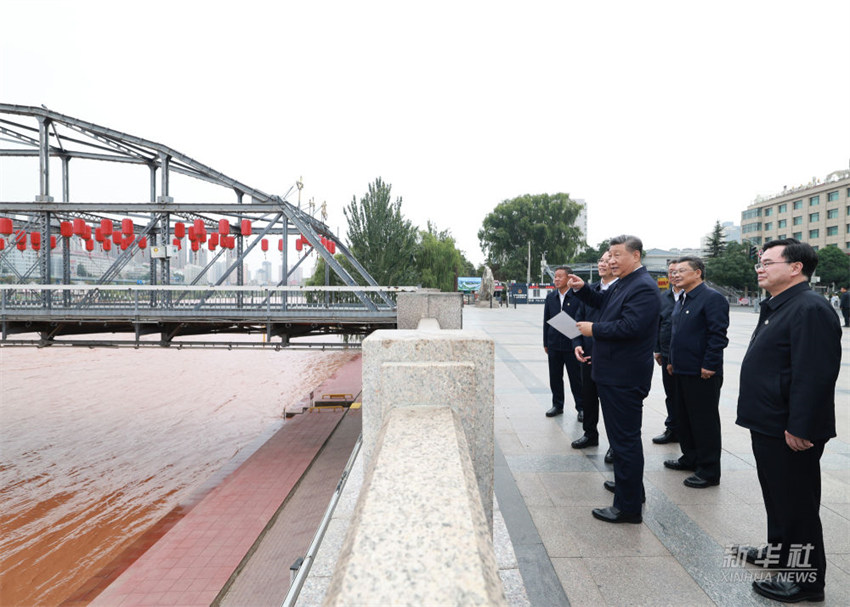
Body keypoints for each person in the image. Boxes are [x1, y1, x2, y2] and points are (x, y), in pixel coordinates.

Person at [736, 239, 841, 604]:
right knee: (778, 497)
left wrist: (801, 426)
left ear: (795, 268)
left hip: (789, 428)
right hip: (768, 420)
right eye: (759, 263)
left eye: (767, 262)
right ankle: (781, 553)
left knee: (797, 503)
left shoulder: (809, 308)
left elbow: (814, 374)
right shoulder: (781, 305)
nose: (759, 268)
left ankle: (807, 581)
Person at [567, 235, 660, 524]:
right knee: (622, 441)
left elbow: (630, 327)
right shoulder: (625, 283)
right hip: (614, 373)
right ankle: (630, 489)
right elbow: (604, 302)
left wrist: (594, 329)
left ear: (636, 255)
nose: (611, 260)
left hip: (623, 375)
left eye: (617, 255)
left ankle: (628, 507)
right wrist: (583, 290)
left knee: (625, 440)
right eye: (609, 254)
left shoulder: (643, 287)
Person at [663, 256, 729, 488]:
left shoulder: (712, 298)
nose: (676, 274)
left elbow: (717, 335)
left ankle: (709, 470)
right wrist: (671, 361)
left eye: (682, 270)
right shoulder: (683, 299)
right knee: (683, 418)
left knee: (704, 422)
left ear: (698, 273)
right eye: (674, 271)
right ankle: (690, 458)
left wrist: (710, 365)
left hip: (702, 372)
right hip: (681, 369)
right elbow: (676, 334)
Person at [571, 251, 618, 463]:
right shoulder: (589, 291)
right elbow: (577, 320)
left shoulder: (620, 291)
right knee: (588, 398)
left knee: (611, 404)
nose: (603, 263)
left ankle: (615, 446)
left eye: (608, 260)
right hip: (588, 354)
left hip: (609, 356)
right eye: (600, 260)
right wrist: (577, 345)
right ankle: (590, 434)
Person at [543, 266, 584, 419]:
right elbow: (546, 321)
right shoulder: (551, 297)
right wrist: (545, 342)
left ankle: (581, 407)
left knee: (576, 378)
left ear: (569, 278)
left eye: (560, 276)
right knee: (555, 376)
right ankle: (557, 405)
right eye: (555, 277)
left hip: (572, 344)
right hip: (554, 343)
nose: (557, 279)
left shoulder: (578, 297)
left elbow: (581, 319)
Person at [651, 259, 681, 445]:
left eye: (678, 271)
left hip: (688, 357)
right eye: (670, 272)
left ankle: (686, 430)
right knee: (671, 393)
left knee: (685, 396)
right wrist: (657, 349)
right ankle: (673, 428)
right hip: (667, 354)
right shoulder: (664, 297)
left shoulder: (694, 296)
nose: (673, 275)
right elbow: (657, 324)